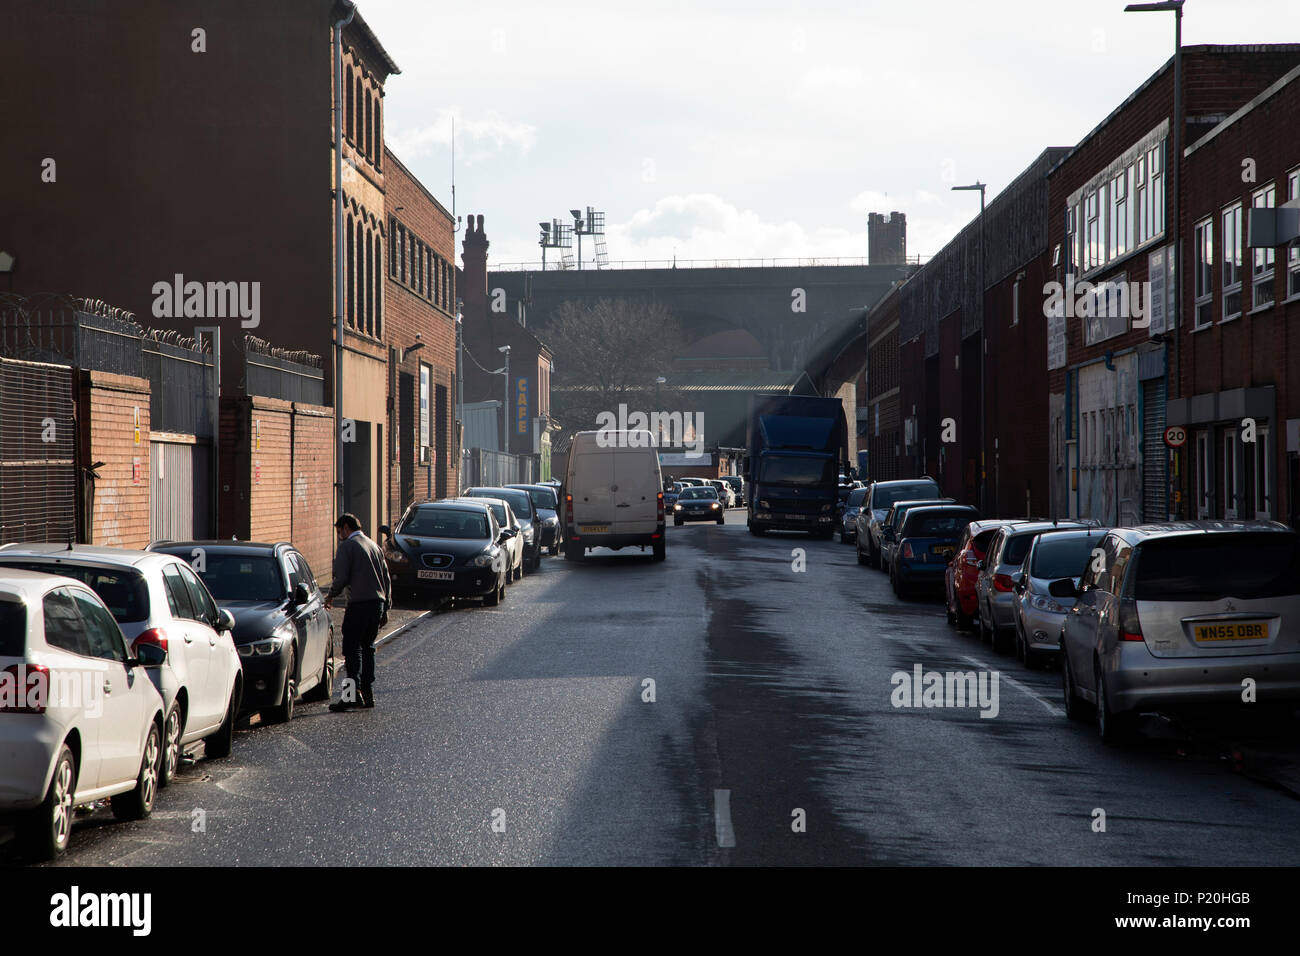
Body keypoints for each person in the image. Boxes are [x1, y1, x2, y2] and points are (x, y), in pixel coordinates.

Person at [324, 513, 391, 712]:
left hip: (359, 604)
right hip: (377, 604)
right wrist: (386, 607)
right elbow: (386, 579)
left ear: (346, 528)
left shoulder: (348, 547)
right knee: (368, 648)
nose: (339, 536)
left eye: (339, 532)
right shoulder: (374, 546)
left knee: (352, 650)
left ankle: (350, 697)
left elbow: (342, 576)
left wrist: (330, 595)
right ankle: (367, 692)